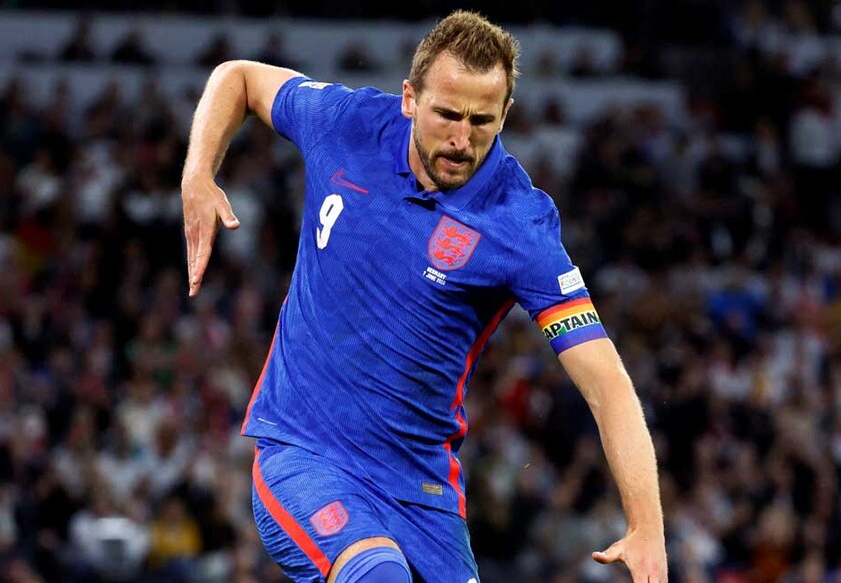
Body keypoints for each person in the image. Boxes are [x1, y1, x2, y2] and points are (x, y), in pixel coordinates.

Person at [180, 10, 667, 583]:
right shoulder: (347, 123)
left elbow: (606, 383)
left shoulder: (519, 226)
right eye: (447, 114)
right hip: (306, 454)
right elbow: (237, 77)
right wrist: (198, 173)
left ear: (506, 113)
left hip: (422, 495)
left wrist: (647, 527)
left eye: (483, 121)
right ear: (410, 98)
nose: (462, 139)